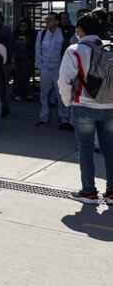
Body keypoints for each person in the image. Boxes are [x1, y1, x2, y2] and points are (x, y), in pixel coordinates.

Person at [57, 12, 113, 204]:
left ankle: (89, 192)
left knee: (86, 149)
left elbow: (64, 81)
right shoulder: (109, 47)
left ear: (80, 30)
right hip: (110, 105)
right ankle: (111, 192)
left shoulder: (74, 50)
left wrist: (68, 102)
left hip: (83, 105)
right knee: (110, 149)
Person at [35, 12, 73, 129]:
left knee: (62, 94)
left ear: (57, 21)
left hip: (59, 69)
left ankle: (64, 119)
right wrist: (40, 66)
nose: (48, 21)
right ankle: (44, 118)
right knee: (44, 94)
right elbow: (38, 51)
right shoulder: (42, 34)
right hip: (45, 68)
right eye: (47, 19)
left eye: (51, 19)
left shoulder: (63, 34)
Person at [12, 18, 36, 101]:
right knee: (18, 76)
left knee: (26, 76)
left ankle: (28, 93)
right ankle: (19, 93)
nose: (22, 27)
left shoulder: (32, 35)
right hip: (18, 58)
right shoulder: (15, 34)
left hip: (27, 58)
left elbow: (33, 47)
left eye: (24, 26)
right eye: (21, 26)